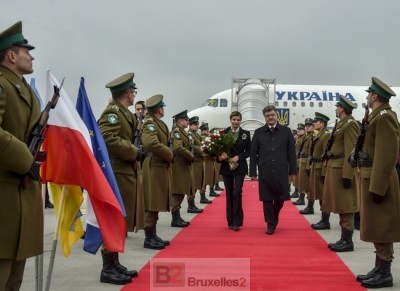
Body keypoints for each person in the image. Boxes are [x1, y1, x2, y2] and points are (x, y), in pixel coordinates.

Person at [0, 21, 43, 291]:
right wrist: (25, 159)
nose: (32, 55)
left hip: (20, 196)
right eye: (27, 50)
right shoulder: (2, 86)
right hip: (4, 195)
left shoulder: (23, 89)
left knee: (14, 278)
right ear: (12, 55)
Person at [351, 77, 400, 288]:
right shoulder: (376, 116)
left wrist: (379, 186)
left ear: (375, 95)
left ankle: (385, 272)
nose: (367, 98)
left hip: (380, 179)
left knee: (381, 225)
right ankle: (379, 267)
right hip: (370, 175)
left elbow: (387, 155)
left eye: (369, 94)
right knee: (375, 225)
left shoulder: (385, 117)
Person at [98, 72, 141, 285]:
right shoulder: (113, 112)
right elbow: (105, 137)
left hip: (124, 172)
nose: (134, 95)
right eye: (133, 91)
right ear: (127, 92)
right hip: (117, 172)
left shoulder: (125, 113)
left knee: (121, 220)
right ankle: (107, 267)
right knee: (114, 219)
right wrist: (133, 151)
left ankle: (114, 262)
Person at [250, 105, 296, 235]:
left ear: (277, 116)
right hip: (265, 170)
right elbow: (253, 154)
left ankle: (274, 217)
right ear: (264, 117)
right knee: (267, 198)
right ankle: (270, 223)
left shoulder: (286, 131)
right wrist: (253, 172)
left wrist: (292, 171)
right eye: (267, 116)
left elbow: (292, 153)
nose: (270, 117)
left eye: (272, 115)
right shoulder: (258, 133)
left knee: (280, 199)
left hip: (281, 171)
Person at [321, 96, 358, 246]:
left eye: (337, 107)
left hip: (342, 170)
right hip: (334, 168)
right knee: (341, 205)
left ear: (342, 108)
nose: (336, 109)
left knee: (346, 205)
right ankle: (344, 238)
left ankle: (347, 240)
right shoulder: (341, 124)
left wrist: (348, 174)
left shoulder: (350, 124)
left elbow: (351, 151)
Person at [142, 94, 173, 249]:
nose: (163, 109)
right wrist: (169, 153)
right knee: (151, 202)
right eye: (162, 107)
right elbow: (150, 143)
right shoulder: (150, 124)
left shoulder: (158, 123)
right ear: (158, 109)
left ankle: (153, 235)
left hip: (159, 166)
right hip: (153, 165)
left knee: (156, 202)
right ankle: (148, 238)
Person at [218, 111, 251, 231]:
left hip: (240, 166)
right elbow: (219, 148)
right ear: (230, 120)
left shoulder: (246, 134)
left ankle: (237, 220)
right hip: (227, 166)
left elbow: (249, 150)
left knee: (237, 192)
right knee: (229, 193)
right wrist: (221, 156)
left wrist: (239, 157)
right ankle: (230, 221)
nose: (236, 121)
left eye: (238, 119)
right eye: (234, 119)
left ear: (240, 121)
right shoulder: (224, 133)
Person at [170, 110, 195, 227]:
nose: (188, 122)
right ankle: (175, 218)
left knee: (181, 192)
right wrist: (190, 155)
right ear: (180, 121)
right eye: (186, 120)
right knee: (177, 192)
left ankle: (177, 217)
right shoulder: (177, 132)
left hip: (183, 166)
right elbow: (178, 148)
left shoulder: (182, 132)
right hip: (178, 166)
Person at [308, 112, 331, 230]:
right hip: (316, 166)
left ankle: (325, 221)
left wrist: (323, 172)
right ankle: (323, 219)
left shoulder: (326, 135)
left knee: (324, 196)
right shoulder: (319, 134)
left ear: (322, 124)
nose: (314, 123)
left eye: (316, 122)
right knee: (321, 195)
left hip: (321, 168)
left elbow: (326, 155)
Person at [293, 118, 314, 207]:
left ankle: (310, 206)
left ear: (313, 127)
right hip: (301, 161)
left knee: (308, 186)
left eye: (309, 126)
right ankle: (302, 199)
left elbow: (311, 152)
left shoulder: (312, 137)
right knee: (301, 183)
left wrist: (309, 165)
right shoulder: (305, 138)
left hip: (306, 163)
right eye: (306, 126)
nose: (307, 128)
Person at [187, 116, 204, 214]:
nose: (197, 126)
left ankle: (192, 204)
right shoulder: (190, 134)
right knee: (192, 184)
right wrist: (202, 151)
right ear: (190, 125)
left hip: (199, 162)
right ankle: (190, 205)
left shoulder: (196, 135)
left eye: (197, 124)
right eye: (195, 125)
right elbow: (192, 146)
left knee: (197, 183)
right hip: (195, 161)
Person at [199, 123, 213, 204]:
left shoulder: (208, 138)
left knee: (207, 178)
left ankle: (204, 195)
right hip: (204, 160)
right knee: (203, 179)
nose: (206, 131)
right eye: (204, 130)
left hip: (208, 159)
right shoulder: (201, 138)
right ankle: (202, 197)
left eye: (206, 130)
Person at [290, 124, 305, 199]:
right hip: (298, 160)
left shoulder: (304, 138)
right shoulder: (299, 139)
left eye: (301, 129)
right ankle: (296, 193)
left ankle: (301, 198)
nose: (299, 130)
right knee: (297, 179)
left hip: (302, 161)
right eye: (298, 129)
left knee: (301, 180)